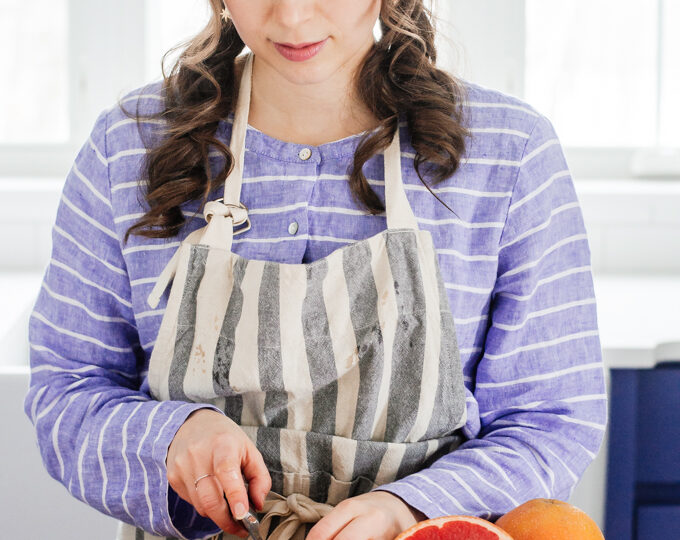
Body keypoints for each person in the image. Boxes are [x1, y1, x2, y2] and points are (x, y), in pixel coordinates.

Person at [23, 0, 607, 539]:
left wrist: (406, 508)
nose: (294, 16)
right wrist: (172, 437)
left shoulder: (508, 151)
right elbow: (66, 388)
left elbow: (551, 420)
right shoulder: (127, 146)